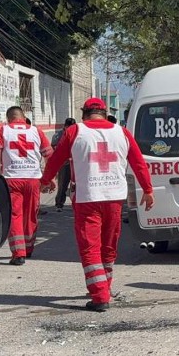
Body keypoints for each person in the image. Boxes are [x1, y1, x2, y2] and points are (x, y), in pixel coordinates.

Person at [40, 98, 154, 312]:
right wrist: (147, 190)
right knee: (108, 245)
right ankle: (104, 286)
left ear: (85, 113)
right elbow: (138, 162)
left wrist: (46, 180)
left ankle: (100, 295)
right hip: (114, 197)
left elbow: (56, 160)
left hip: (87, 198)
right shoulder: (122, 132)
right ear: (104, 113)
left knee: (90, 247)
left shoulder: (75, 131)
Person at [0, 106, 53, 265]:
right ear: (24, 117)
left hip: (11, 179)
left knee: (14, 215)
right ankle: (29, 248)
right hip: (33, 179)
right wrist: (49, 178)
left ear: (8, 118)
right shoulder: (37, 131)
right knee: (31, 215)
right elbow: (49, 155)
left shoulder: (2, 131)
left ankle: (18, 253)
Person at [51, 117, 77, 212]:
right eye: (69, 128)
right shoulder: (58, 135)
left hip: (75, 163)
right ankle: (59, 204)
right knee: (62, 184)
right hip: (64, 164)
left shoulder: (78, 133)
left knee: (77, 185)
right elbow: (54, 147)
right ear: (65, 126)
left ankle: (77, 204)